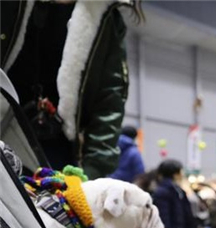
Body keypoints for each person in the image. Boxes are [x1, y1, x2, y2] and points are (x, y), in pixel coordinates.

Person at [1, 0, 143, 178]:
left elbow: (109, 104)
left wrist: (92, 174)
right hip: (5, 131)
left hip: (58, 153)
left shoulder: (105, 18)